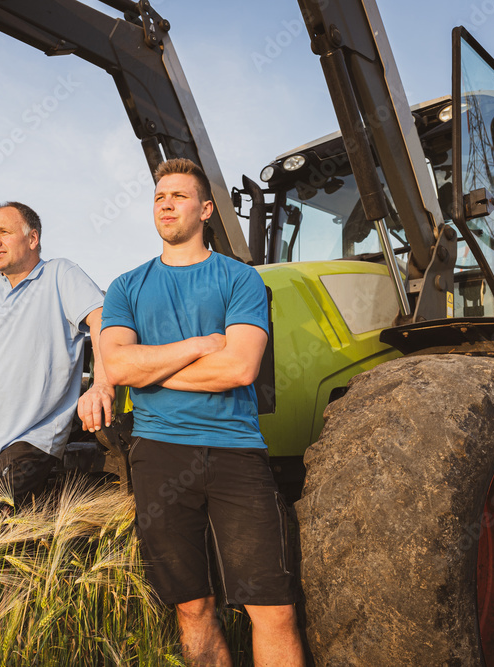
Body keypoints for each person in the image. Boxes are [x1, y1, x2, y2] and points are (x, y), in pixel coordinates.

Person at [98, 158, 304, 667]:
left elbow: (238, 369)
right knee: (192, 607)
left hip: (236, 453)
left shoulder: (240, 279)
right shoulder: (127, 286)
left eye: (179, 196)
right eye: (158, 197)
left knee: (273, 609)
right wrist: (198, 345)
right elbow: (116, 365)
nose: (165, 204)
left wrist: (149, 368)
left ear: (206, 209)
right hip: (159, 454)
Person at [0, 201, 114, 508]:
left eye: (4, 232)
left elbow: (102, 318)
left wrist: (101, 384)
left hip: (37, 436)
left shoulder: (61, 275)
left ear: (32, 239)